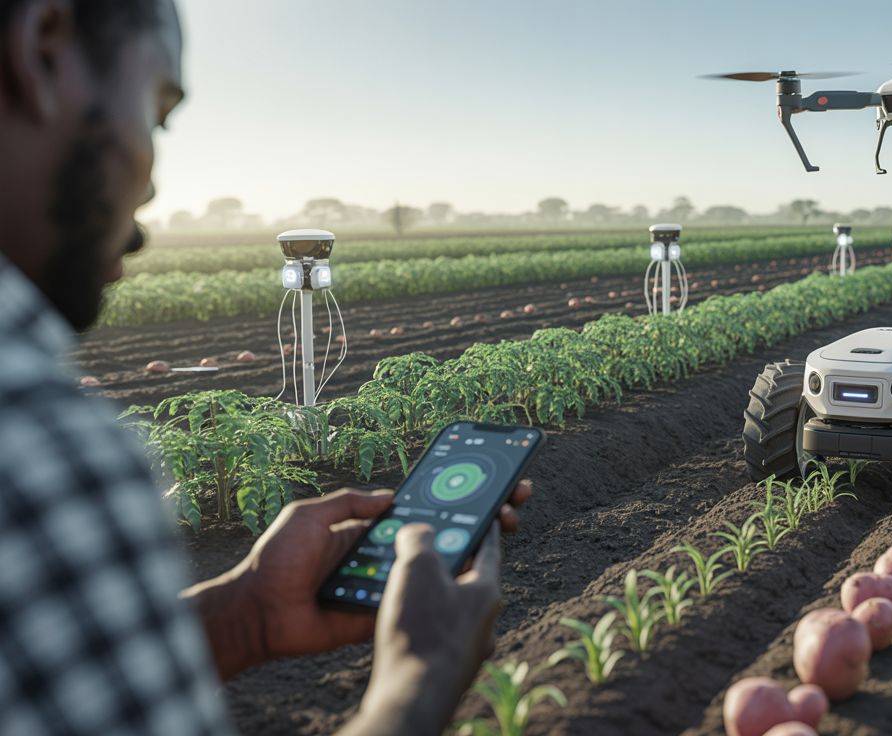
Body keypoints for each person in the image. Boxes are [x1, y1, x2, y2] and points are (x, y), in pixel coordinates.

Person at [0, 1, 529, 733]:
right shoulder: (37, 447)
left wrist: (246, 613)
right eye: (156, 112)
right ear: (44, 49)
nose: (151, 187)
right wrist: (421, 674)